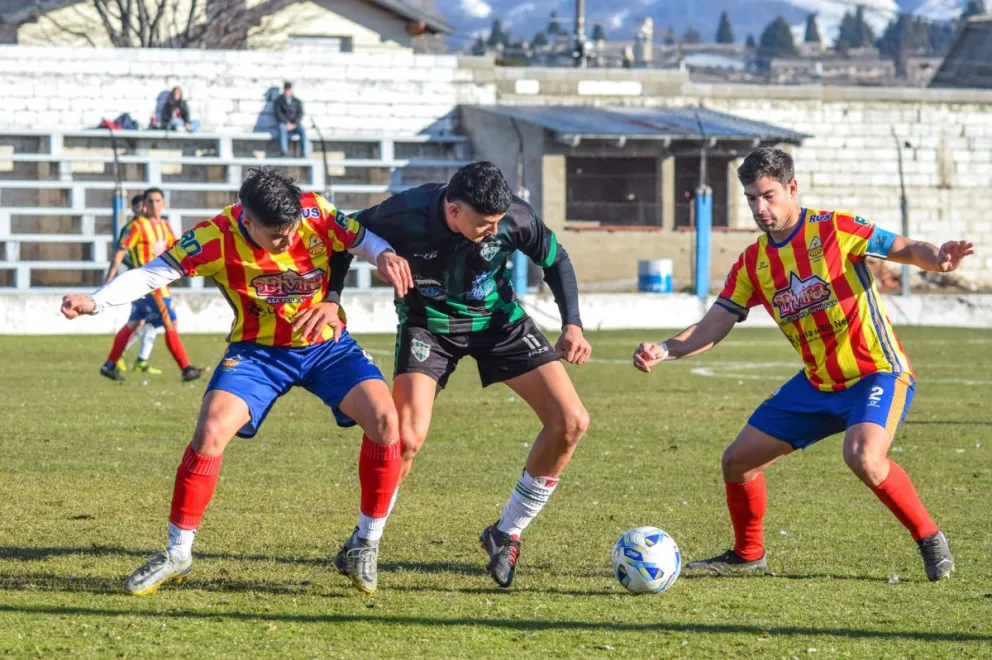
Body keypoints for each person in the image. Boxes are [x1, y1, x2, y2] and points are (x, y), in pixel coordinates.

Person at [61, 168, 414, 596]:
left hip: (326, 347)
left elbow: (362, 240)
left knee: (386, 421)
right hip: (257, 353)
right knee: (210, 432)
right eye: (277, 237)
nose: (288, 241)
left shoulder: (315, 211)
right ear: (248, 221)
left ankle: (364, 543)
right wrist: (96, 301)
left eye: (292, 231)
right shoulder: (215, 237)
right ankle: (177, 553)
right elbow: (153, 273)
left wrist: (383, 255)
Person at [632, 147, 974, 581]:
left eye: (768, 196)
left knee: (864, 456)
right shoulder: (753, 263)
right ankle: (748, 555)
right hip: (818, 384)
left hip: (877, 372)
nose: (760, 208)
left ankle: (930, 539)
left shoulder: (834, 229)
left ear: (792, 188)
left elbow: (903, 247)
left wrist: (938, 258)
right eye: (751, 198)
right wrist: (665, 349)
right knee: (737, 462)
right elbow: (713, 325)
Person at [337, 161, 591, 590]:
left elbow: (557, 260)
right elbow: (339, 237)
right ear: (453, 211)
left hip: (500, 323)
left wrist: (573, 324)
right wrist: (332, 298)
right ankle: (364, 540)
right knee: (405, 438)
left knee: (571, 421)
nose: (493, 231)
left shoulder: (515, 216)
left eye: (497, 222)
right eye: (484, 224)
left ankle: (506, 533)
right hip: (428, 326)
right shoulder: (404, 213)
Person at [102, 188, 202, 382]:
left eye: (157, 201)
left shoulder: (165, 226)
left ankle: (110, 364)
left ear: (163, 203)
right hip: (151, 286)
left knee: (134, 322)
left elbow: (176, 249)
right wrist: (110, 279)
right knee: (170, 323)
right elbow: (121, 251)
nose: (154, 205)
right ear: (145, 204)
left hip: (156, 286)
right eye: (150, 201)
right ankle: (186, 369)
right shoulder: (137, 226)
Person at [116, 194, 162, 374]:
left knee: (149, 321)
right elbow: (121, 253)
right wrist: (136, 265)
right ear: (133, 209)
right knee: (143, 320)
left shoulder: (154, 227)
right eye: (138, 207)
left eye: (144, 206)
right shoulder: (131, 228)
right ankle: (118, 357)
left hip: (153, 280)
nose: (142, 209)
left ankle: (141, 360)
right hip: (138, 281)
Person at [274, 82, 308, 157]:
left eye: (289, 90)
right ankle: (284, 151)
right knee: (282, 128)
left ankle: (304, 151)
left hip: (295, 124)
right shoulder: (279, 101)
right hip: (285, 124)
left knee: (302, 130)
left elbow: (300, 113)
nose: (287, 92)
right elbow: (278, 113)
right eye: (286, 90)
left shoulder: (297, 101)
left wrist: (295, 123)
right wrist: (287, 123)